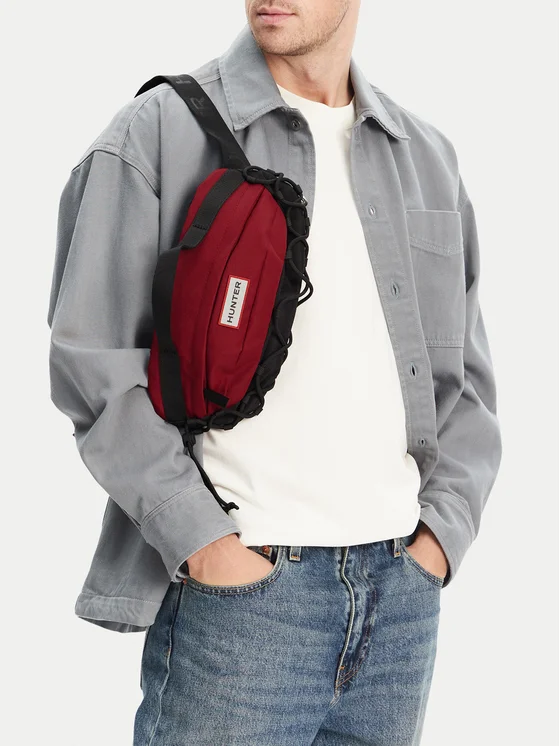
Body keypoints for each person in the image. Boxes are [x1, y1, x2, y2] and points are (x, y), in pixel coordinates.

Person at [47, 1, 502, 743]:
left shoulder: (425, 157)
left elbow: (468, 381)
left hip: (400, 605)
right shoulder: (157, 133)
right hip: (242, 605)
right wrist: (205, 545)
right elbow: (92, 366)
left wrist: (439, 541)